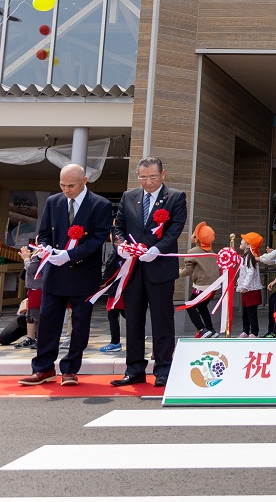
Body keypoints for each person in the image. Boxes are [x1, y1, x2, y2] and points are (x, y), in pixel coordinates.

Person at [19, 164, 112, 387]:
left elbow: (98, 239)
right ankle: (43, 367)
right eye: (62, 185)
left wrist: (70, 255)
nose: (66, 190)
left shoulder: (100, 204)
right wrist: (45, 248)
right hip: (54, 272)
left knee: (79, 323)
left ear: (84, 181)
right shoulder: (54, 202)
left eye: (71, 185)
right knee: (48, 321)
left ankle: (70, 368)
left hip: (83, 272)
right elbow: (43, 233)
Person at [111, 156, 188, 388]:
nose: (148, 182)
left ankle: (163, 368)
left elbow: (174, 230)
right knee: (133, 319)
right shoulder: (129, 197)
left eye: (153, 177)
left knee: (162, 320)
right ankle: (134, 369)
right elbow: (118, 227)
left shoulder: (175, 197)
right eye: (143, 177)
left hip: (160, 267)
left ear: (162, 174)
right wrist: (121, 246)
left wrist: (157, 249)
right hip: (133, 268)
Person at [179, 222, 220, 338]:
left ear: (196, 239)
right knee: (202, 307)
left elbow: (188, 270)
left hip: (202, 286)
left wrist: (178, 273)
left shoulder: (193, 252)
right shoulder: (212, 252)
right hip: (214, 286)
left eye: (193, 234)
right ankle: (211, 330)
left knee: (190, 306)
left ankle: (202, 329)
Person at [237, 232, 265, 338]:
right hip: (247, 289)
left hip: (251, 289)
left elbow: (250, 272)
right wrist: (240, 281)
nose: (241, 242)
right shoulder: (245, 257)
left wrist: (245, 285)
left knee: (251, 312)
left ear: (249, 245)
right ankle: (245, 330)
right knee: (245, 312)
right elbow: (243, 272)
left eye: (244, 240)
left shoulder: (250, 257)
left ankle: (254, 332)